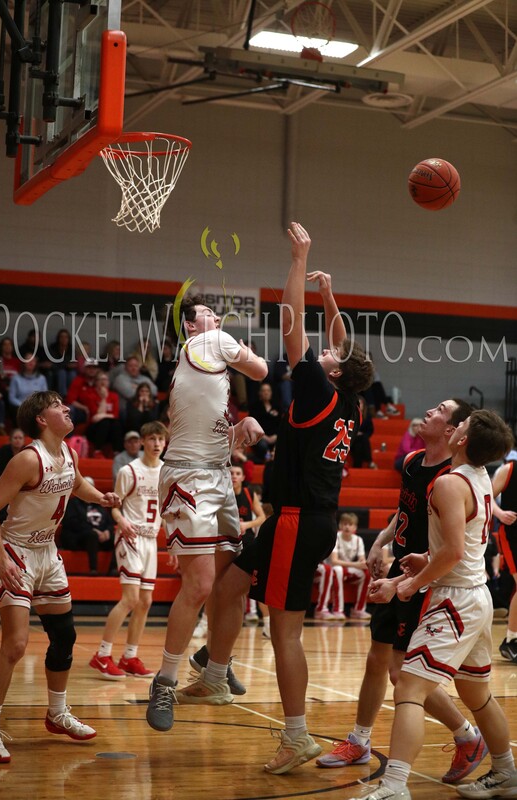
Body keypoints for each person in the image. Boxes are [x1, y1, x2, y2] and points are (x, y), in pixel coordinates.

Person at [175, 223, 374, 774]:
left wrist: (299, 259)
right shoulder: (350, 402)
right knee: (231, 585)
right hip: (296, 517)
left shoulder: (319, 385)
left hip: (297, 520)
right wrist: (331, 295)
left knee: (286, 632)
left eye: (330, 356)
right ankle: (215, 674)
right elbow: (342, 346)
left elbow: (292, 325)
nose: (324, 354)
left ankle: (296, 735)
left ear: (332, 372)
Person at [316, 398, 487, 786]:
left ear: (452, 430)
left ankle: (467, 735)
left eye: (440, 410)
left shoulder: (451, 476)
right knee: (377, 660)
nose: (429, 411)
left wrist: (409, 581)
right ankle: (359, 740)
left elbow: (456, 544)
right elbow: (403, 511)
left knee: (401, 673)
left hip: (425, 577)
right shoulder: (413, 463)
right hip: (399, 569)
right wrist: (380, 542)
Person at [347, 410, 515, 800]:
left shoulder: (449, 484)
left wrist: (406, 585)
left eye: (463, 426)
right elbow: (465, 542)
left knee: (408, 687)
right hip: (476, 595)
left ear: (461, 441)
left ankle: (393, 787)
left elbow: (454, 551)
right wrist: (428, 558)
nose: (455, 426)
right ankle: (506, 771)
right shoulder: (480, 478)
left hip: (455, 598)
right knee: (476, 694)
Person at [145, 292, 267, 731]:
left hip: (216, 474)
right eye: (206, 313)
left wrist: (239, 428)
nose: (216, 316)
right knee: (199, 584)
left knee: (231, 584)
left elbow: (207, 431)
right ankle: (165, 681)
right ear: (190, 327)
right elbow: (262, 369)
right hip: (189, 479)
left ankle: (214, 665)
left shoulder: (200, 363)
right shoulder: (209, 343)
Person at [0, 390, 120, 763]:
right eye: (57, 405)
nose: (66, 407)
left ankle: (57, 713)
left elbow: (78, 485)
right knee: (15, 645)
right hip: (17, 551)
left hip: (47, 552)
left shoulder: (69, 453)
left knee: (65, 637)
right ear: (41, 420)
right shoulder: (28, 459)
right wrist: (0, 558)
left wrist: (101, 498)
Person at [90, 421, 167, 679]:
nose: (157, 444)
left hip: (151, 539)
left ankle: (130, 656)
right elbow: (114, 505)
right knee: (131, 599)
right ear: (142, 441)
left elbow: (167, 512)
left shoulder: (168, 472)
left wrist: (175, 550)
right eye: (152, 438)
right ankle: (102, 655)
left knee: (146, 601)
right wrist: (120, 520)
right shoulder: (128, 471)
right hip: (130, 537)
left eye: (161, 439)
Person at [189, 463, 266, 686]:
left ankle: (215, 659)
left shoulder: (249, 494)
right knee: (215, 589)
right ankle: (211, 655)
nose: (234, 476)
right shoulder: (216, 487)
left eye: (237, 473)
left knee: (237, 594)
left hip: (243, 541)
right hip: (215, 539)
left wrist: (246, 524)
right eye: (231, 472)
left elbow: (260, 517)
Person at [59, 477, 115, 574]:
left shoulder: (99, 505)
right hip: (79, 538)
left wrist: (107, 532)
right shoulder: (73, 503)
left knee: (118, 537)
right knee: (92, 535)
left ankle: (113, 569)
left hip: (99, 538)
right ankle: (93, 569)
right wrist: (93, 530)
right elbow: (71, 523)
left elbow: (109, 523)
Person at [493, 459, 517, 661]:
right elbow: (485, 496)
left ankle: (512, 638)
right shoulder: (509, 468)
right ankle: (511, 640)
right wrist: (500, 513)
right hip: (512, 533)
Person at [328, 512, 371, 620]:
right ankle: (338, 610)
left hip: (348, 569)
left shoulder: (358, 540)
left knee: (366, 573)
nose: (347, 526)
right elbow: (334, 561)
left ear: (355, 527)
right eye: (345, 524)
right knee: (338, 570)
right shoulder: (336, 537)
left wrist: (363, 564)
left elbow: (361, 559)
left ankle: (358, 609)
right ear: (340, 526)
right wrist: (356, 564)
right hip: (335, 569)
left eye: (350, 524)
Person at [0, 428, 26, 520]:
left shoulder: (27, 452)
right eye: (15, 438)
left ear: (23, 440)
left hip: (23, 481)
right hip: (3, 479)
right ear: (10, 440)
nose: (18, 440)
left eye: (20, 438)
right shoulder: (3, 450)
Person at [85, 371, 122, 456]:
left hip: (109, 428)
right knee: (105, 422)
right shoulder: (91, 395)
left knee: (115, 423)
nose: (103, 382)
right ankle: (97, 451)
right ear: (96, 382)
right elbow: (94, 417)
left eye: (105, 379)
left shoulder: (114, 395)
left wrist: (102, 416)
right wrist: (104, 399)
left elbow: (115, 415)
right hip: (93, 429)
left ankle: (117, 452)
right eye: (100, 379)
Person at [248, 382, 282, 463]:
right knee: (262, 444)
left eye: (268, 391)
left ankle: (275, 458)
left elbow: (281, 424)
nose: (266, 393)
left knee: (282, 442)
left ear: (271, 393)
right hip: (260, 437)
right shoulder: (254, 407)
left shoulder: (277, 407)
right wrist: (264, 436)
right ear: (260, 393)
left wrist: (276, 435)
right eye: (264, 391)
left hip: (275, 437)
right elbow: (252, 425)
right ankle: (268, 458)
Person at [350, 396, 376, 468]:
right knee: (363, 438)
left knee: (359, 446)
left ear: (364, 405)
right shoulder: (350, 414)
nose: (359, 405)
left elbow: (370, 430)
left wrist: (362, 434)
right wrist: (355, 433)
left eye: (361, 403)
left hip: (360, 441)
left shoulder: (367, 416)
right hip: (351, 439)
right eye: (358, 403)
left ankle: (357, 467)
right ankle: (370, 461)